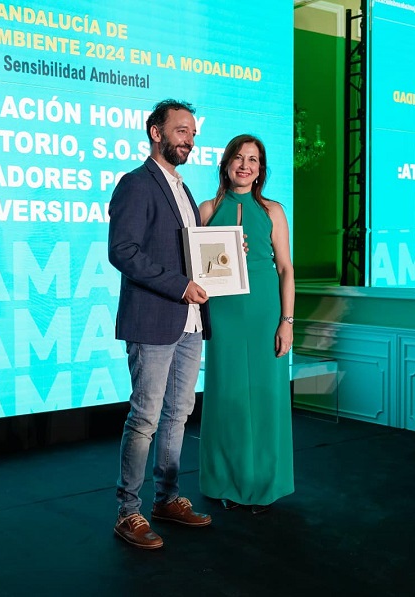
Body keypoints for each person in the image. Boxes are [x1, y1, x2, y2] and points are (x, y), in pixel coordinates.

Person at [108, 99, 213, 550]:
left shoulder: (185, 190)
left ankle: (167, 498)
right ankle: (127, 512)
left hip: (189, 322)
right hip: (154, 317)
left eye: (192, 132)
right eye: (181, 130)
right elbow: (123, 252)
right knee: (146, 417)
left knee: (178, 415)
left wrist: (226, 260)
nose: (190, 139)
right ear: (156, 132)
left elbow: (190, 254)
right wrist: (180, 286)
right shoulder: (136, 184)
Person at [197, 134, 295, 514]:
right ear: (225, 164)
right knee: (226, 396)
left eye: (253, 160)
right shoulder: (206, 208)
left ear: (261, 170)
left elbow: (286, 268)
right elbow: (194, 264)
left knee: (266, 396)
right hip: (222, 313)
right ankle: (226, 481)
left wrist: (287, 322)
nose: (245, 165)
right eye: (238, 158)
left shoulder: (273, 211)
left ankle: (264, 484)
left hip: (264, 311)